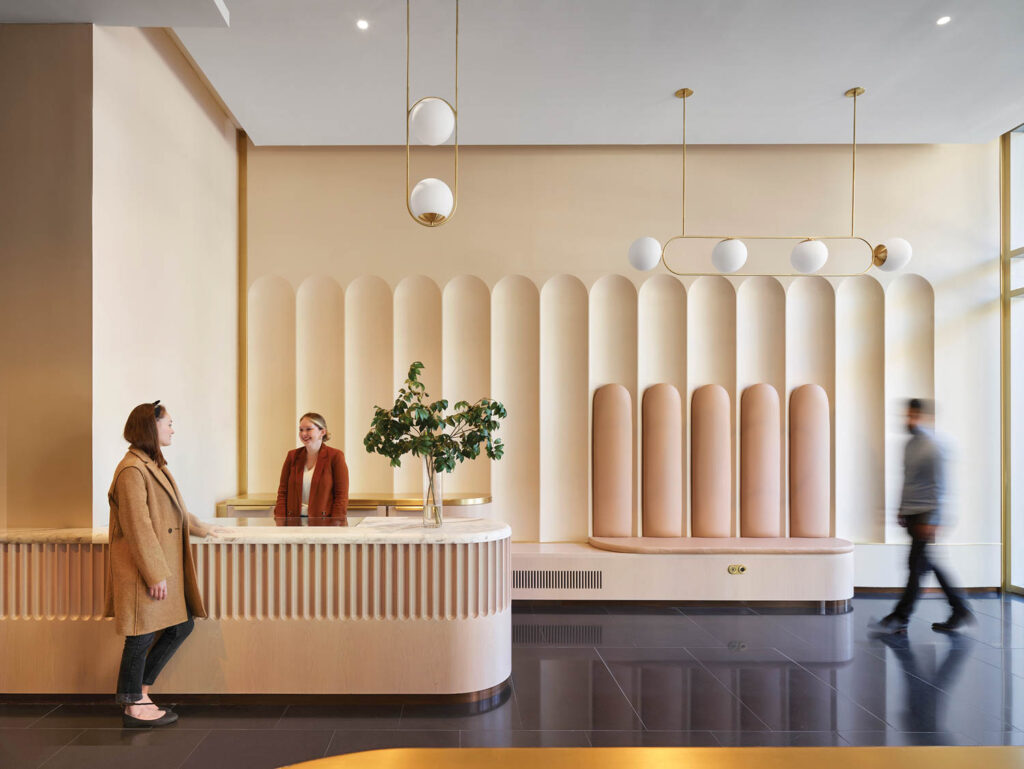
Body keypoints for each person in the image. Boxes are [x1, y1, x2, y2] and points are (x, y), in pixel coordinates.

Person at [104, 401, 227, 727]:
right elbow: (138, 527)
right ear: (150, 427)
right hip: (141, 570)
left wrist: (204, 528)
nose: (173, 428)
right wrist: (154, 574)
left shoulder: (152, 465)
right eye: (168, 423)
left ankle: (140, 691)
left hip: (156, 567)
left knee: (180, 625)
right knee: (140, 634)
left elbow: (176, 511)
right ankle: (133, 705)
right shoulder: (132, 469)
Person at [870, 398, 973, 635]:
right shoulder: (909, 445)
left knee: (916, 567)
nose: (909, 420)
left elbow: (941, 486)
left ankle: (900, 618)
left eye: (914, 415)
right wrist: (901, 509)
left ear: (925, 417)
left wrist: (934, 519)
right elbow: (909, 480)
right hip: (913, 513)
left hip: (927, 515)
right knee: (926, 564)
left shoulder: (934, 446)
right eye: (907, 415)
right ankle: (960, 608)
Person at [274, 412, 349, 526]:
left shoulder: (335, 456)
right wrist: (280, 521)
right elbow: (282, 493)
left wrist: (336, 525)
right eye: (301, 430)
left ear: (322, 432)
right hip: (293, 523)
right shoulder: (292, 456)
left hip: (325, 524)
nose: (304, 434)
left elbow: (341, 496)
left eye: (308, 429)